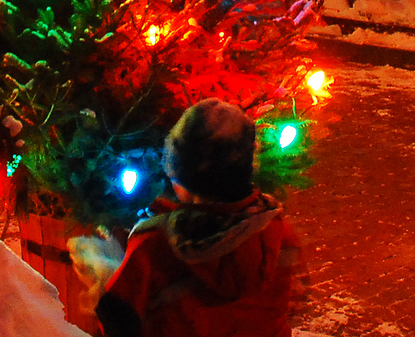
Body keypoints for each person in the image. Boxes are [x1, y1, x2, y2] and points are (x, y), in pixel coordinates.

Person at [94, 100, 304, 337]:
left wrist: (104, 271)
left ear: (183, 176)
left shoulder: (156, 245)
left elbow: (117, 318)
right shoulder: (277, 232)